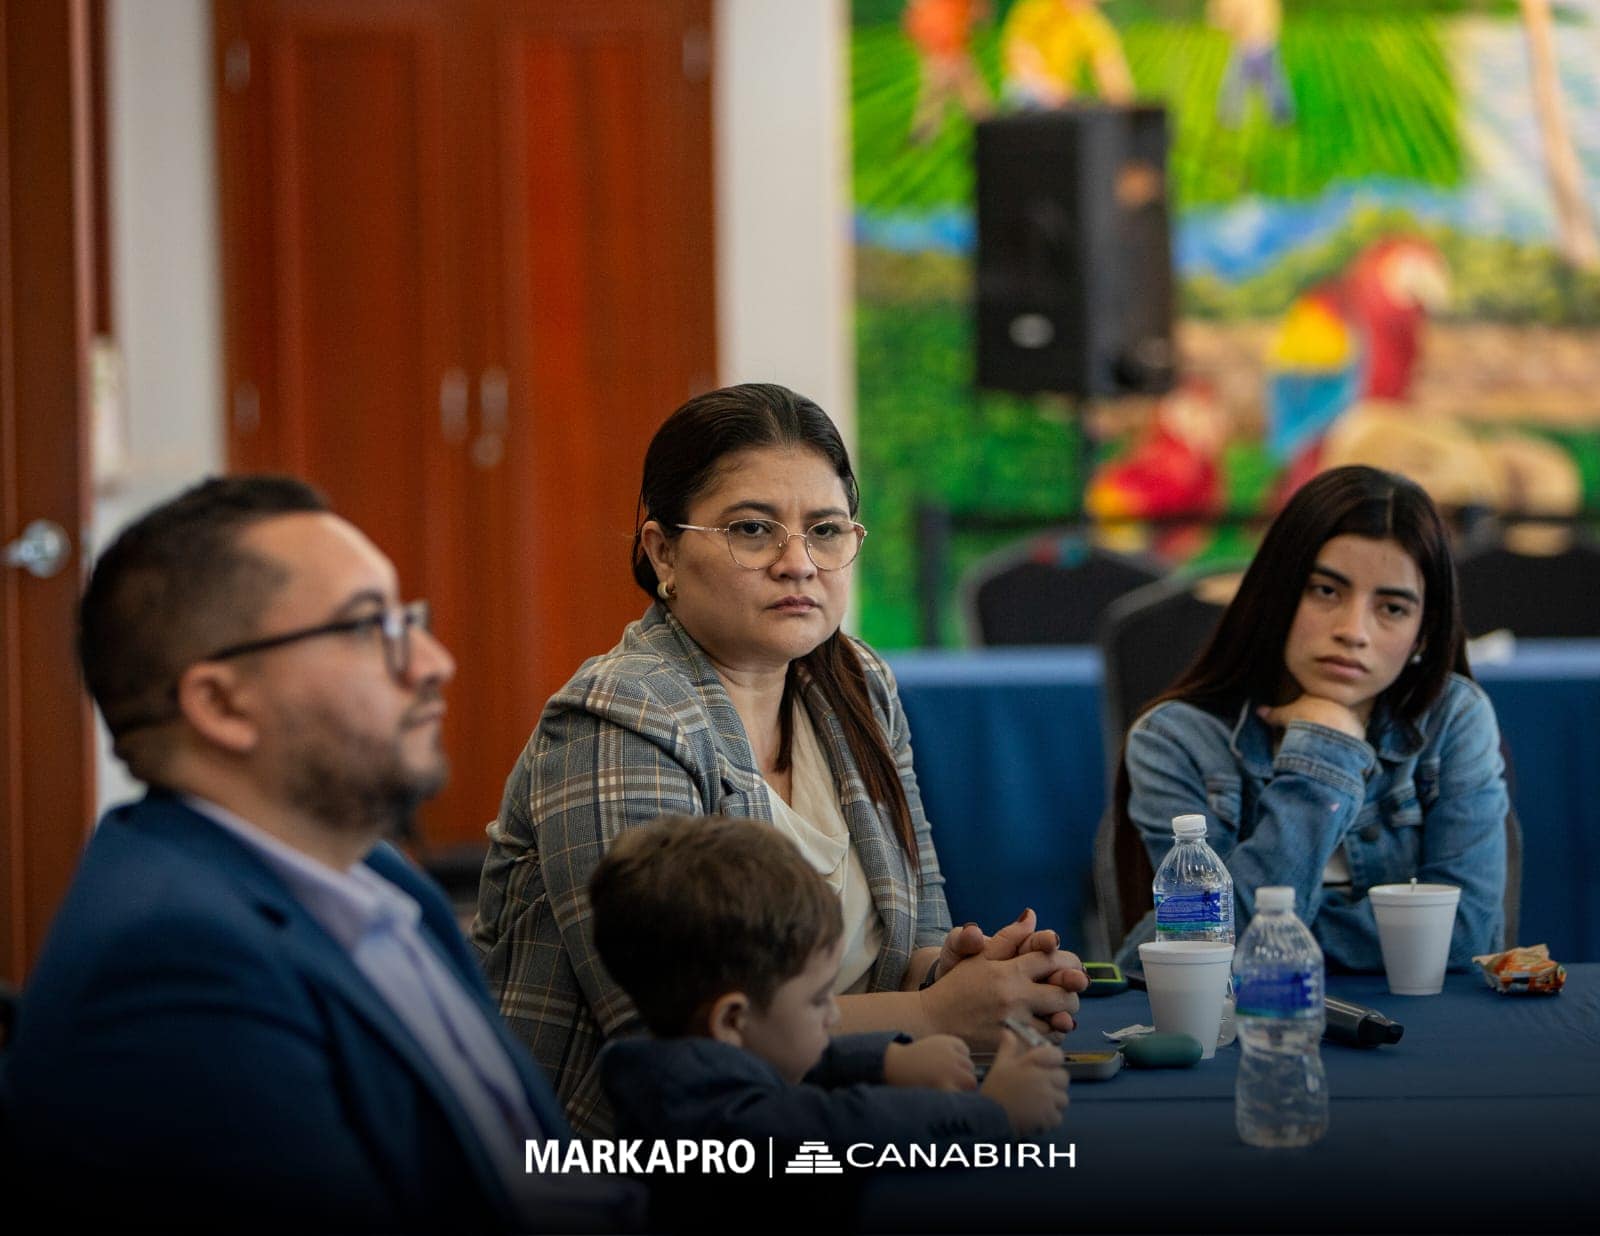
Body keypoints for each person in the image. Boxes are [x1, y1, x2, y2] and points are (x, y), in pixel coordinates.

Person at [2, 477, 637, 1232]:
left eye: (407, 619)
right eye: (368, 627)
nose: (433, 662)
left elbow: (534, 1166)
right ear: (222, 704)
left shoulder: (375, 875)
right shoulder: (173, 965)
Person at [474, 382, 1087, 1135]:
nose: (798, 563)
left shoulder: (857, 684)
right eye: (753, 530)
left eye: (825, 530)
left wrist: (965, 973)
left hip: (841, 1125)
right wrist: (932, 1014)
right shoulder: (624, 713)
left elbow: (919, 929)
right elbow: (671, 1037)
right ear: (663, 551)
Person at [1112, 465, 1509, 973]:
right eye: (1326, 591)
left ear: (1423, 634)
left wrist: (1263, 936)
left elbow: (1466, 932)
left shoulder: (1452, 719)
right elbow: (1198, 949)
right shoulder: (1175, 740)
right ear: (1276, 593)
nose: (1353, 631)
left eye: (1391, 608)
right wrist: (1325, 751)